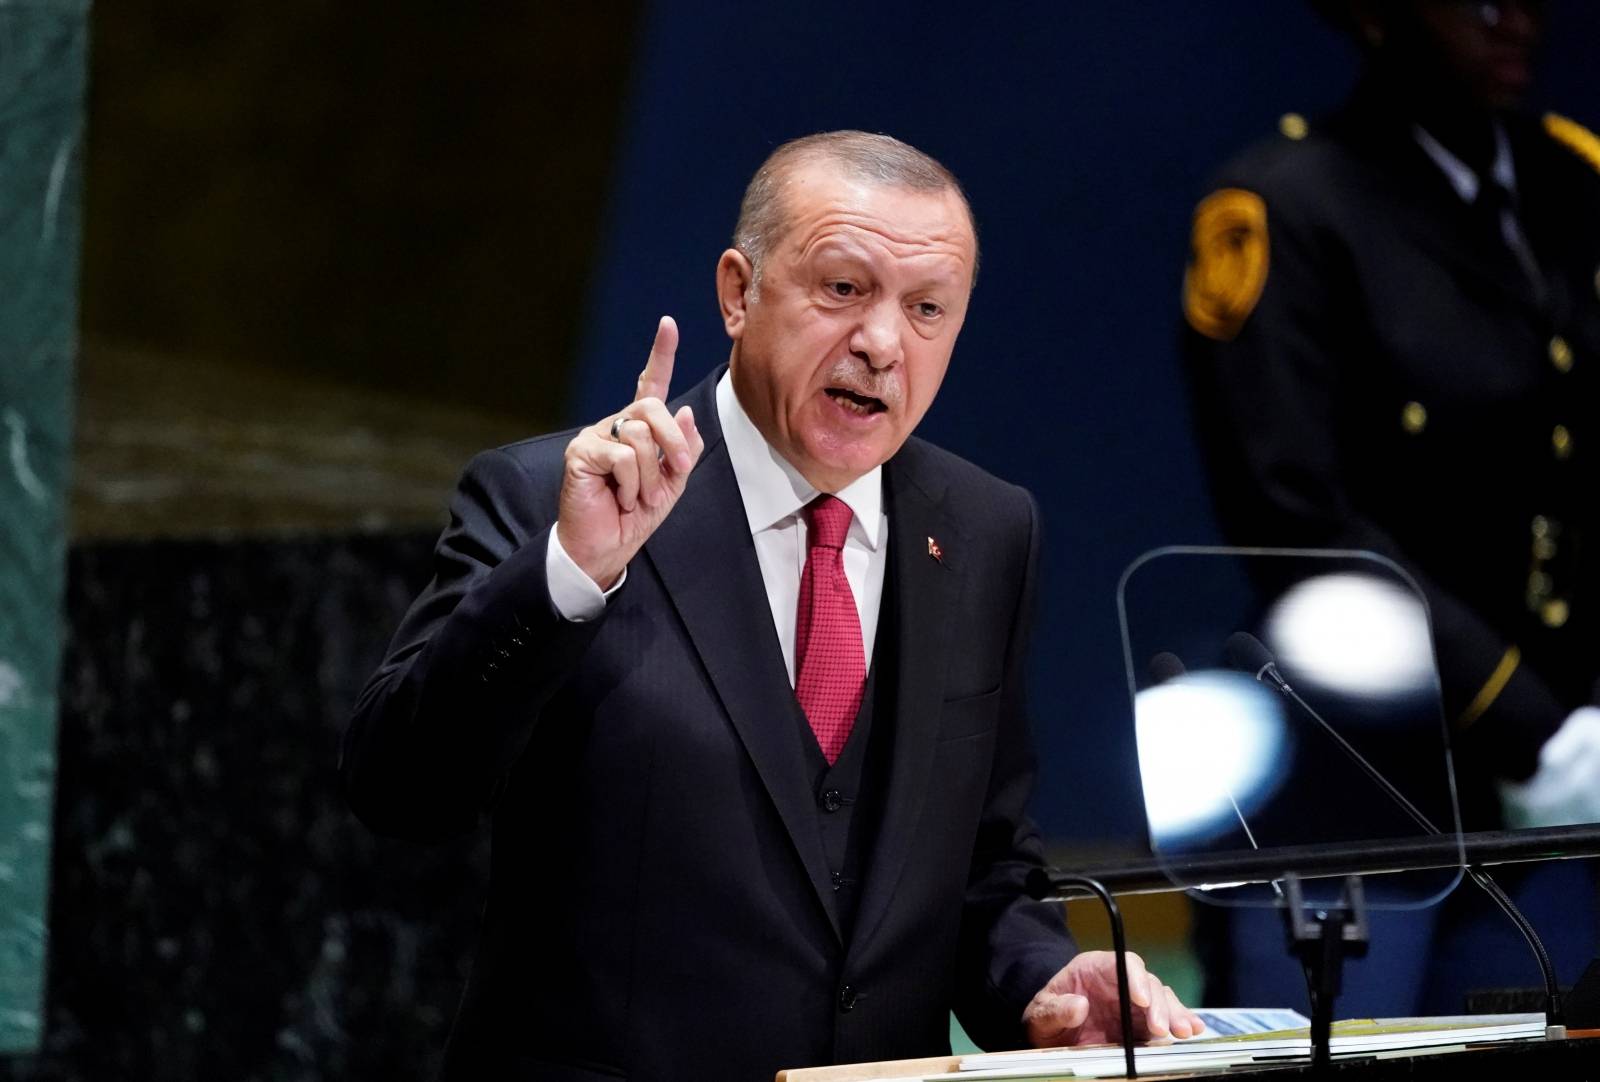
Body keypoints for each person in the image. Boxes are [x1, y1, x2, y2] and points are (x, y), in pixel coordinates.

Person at [343, 131, 1200, 1080]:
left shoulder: (989, 530)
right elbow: (400, 790)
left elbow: (983, 868)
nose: (881, 344)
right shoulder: (556, 499)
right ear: (738, 293)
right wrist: (568, 575)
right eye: (842, 290)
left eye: (926, 309)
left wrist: (1042, 983)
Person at [1182, 0, 1600, 1014]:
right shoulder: (1283, 204)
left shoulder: (1574, 180)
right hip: (1364, 772)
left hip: (1575, 753)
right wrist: (1528, 726)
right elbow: (1294, 515)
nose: (1515, 20)